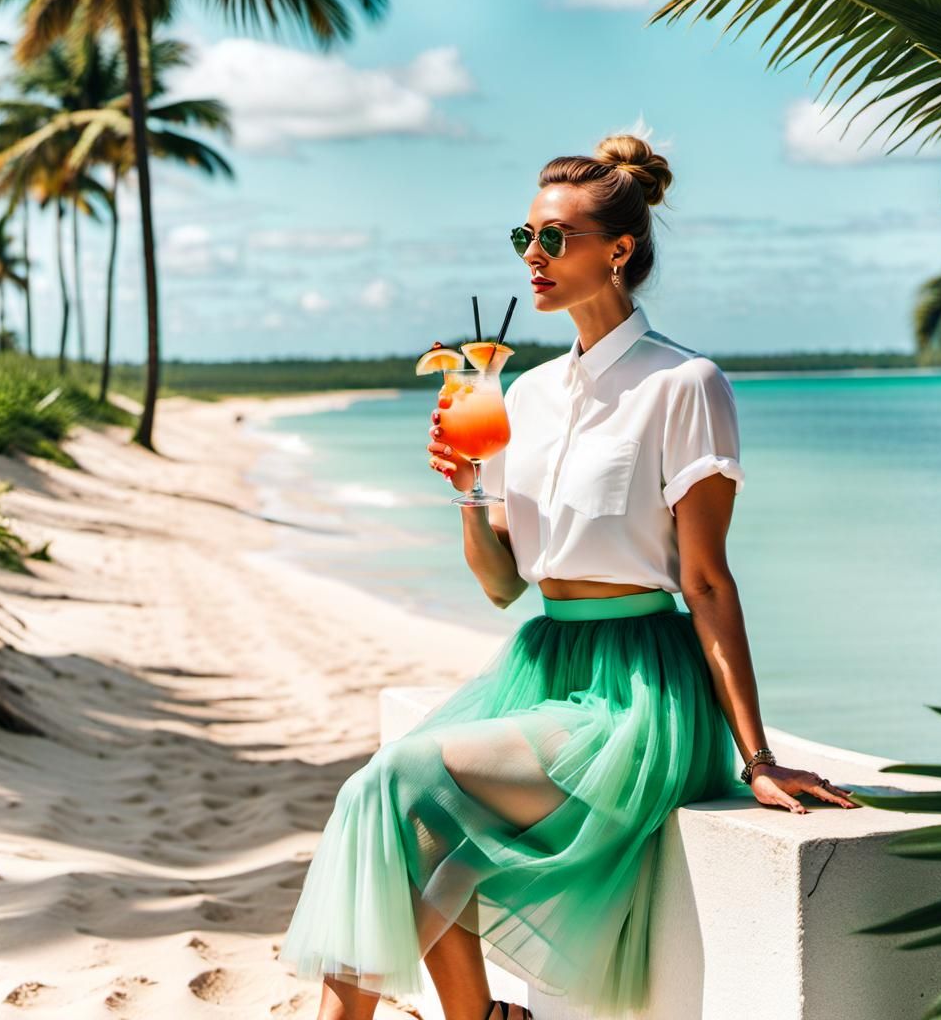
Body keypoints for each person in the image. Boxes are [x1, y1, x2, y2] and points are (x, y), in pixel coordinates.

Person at [279, 133, 860, 1020]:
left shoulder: (686, 385)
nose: (533, 259)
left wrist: (760, 757)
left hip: (640, 693)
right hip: (549, 663)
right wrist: (468, 492)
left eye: (555, 239)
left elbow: (706, 582)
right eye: (525, 238)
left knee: (391, 783)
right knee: (407, 820)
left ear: (618, 250)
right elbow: (504, 585)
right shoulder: (529, 394)